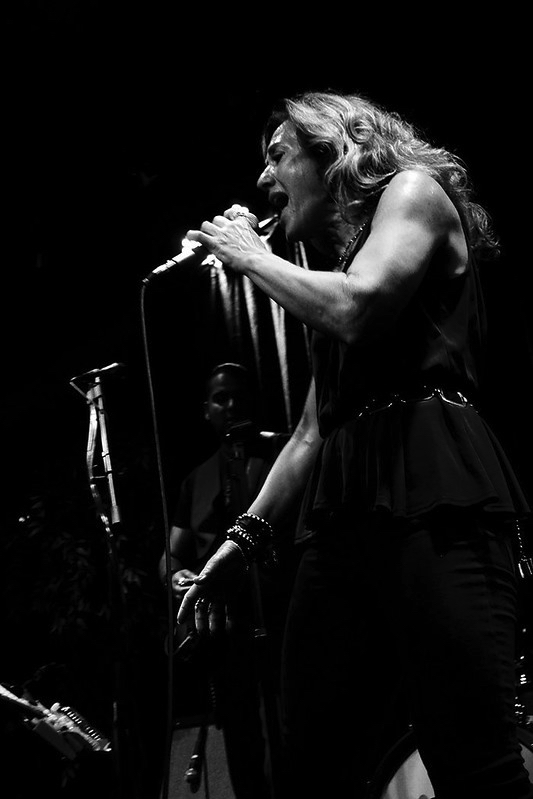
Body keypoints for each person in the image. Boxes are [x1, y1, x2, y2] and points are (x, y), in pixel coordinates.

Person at [177, 90, 533, 798]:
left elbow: (360, 310)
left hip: (433, 482)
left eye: (278, 156)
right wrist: (240, 541)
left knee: (472, 753)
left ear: (333, 151)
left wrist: (249, 256)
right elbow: (313, 429)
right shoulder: (338, 268)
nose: (263, 178)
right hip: (344, 507)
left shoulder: (413, 192)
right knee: (313, 754)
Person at [159, 361, 291, 799]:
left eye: (238, 395)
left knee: (291, 736)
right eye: (220, 398)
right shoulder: (195, 480)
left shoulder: (281, 454)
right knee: (241, 743)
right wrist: (176, 574)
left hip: (282, 622)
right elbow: (171, 554)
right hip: (224, 636)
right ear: (206, 410)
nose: (230, 405)